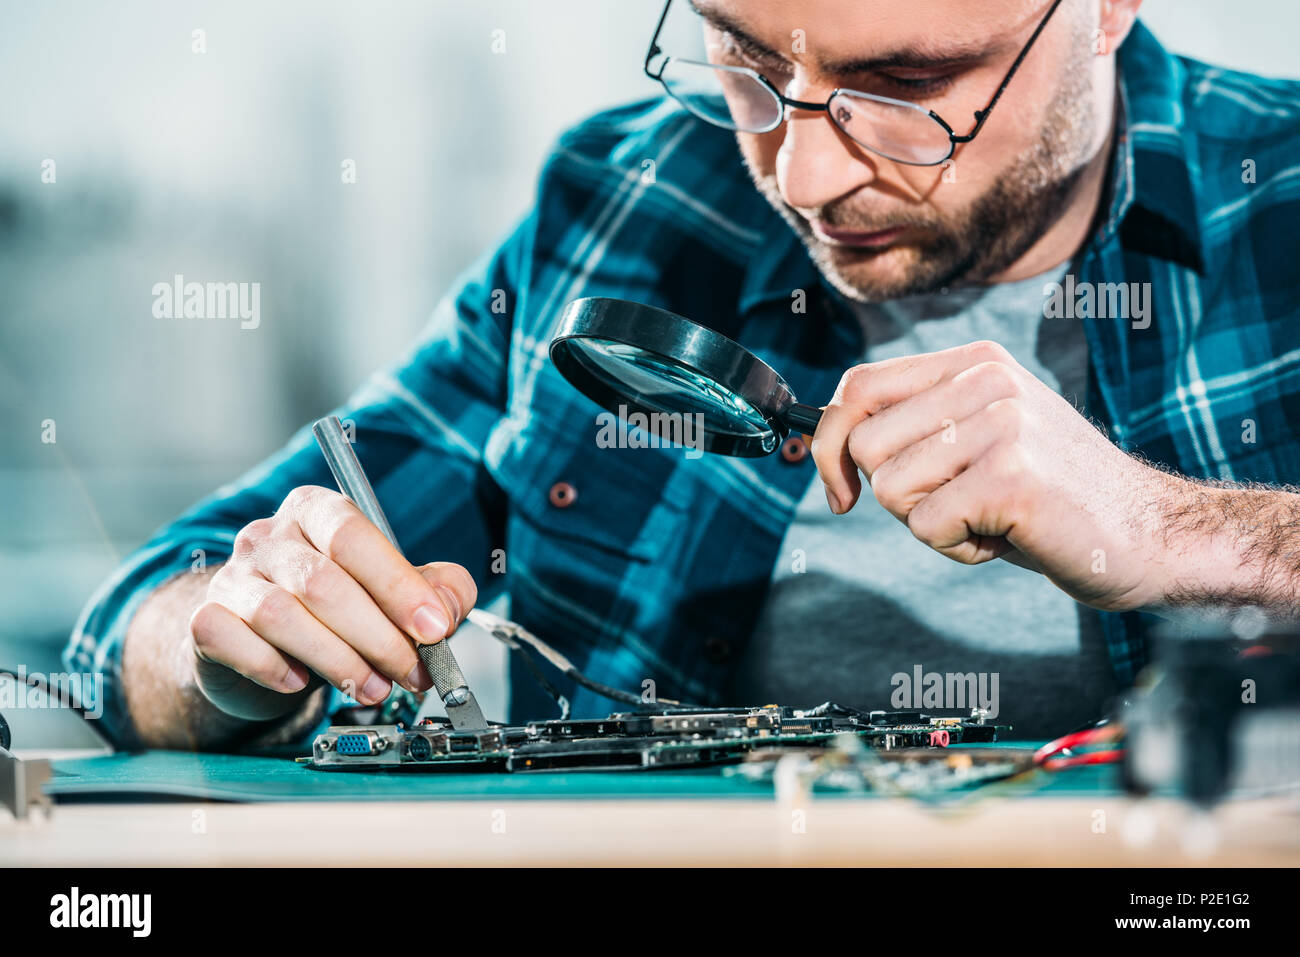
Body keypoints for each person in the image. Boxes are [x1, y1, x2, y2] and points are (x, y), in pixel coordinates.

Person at [69, 0, 1300, 748]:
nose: (808, 181)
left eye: (908, 87)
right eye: (749, 63)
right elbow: (125, 634)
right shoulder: (627, 207)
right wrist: (235, 650)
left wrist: (1184, 533)